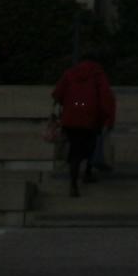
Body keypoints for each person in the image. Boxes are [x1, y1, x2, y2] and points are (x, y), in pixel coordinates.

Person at [53, 50, 117, 193]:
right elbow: (106, 99)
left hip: (70, 119)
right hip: (91, 119)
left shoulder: (70, 73)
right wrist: (108, 120)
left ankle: (73, 183)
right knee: (91, 147)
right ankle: (87, 172)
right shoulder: (98, 75)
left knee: (75, 151)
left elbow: (57, 93)